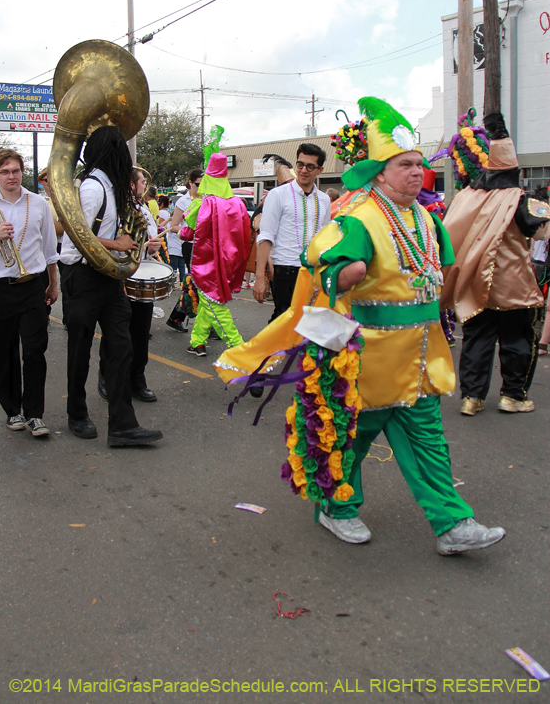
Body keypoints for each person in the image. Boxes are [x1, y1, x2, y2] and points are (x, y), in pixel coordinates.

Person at [216, 98, 505, 555]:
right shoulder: (358, 218)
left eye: (418, 165)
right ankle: (336, 509)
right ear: (380, 171)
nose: (416, 172)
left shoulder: (428, 220)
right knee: (351, 442)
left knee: (430, 444)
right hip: (367, 364)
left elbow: (441, 275)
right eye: (405, 165)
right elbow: (325, 269)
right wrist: (343, 274)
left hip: (419, 362)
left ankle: (453, 524)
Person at [59, 126, 163, 447]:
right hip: (82, 277)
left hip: (108, 278)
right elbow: (75, 238)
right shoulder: (92, 188)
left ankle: (122, 424)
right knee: (80, 350)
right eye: (121, 149)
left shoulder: (111, 186)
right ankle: (76, 412)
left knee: (122, 347)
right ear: (112, 152)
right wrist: (116, 243)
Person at [442, 111, 550, 416]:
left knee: (477, 339)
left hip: (474, 282)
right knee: (517, 341)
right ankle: (513, 396)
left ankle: (472, 398)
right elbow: (541, 228)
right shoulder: (520, 198)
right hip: (514, 285)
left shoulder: (465, 197)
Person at [0, 148, 59, 437]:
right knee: (3, 352)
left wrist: (53, 284)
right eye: (4, 171)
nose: (11, 176)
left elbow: (49, 251)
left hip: (32, 286)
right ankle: (12, 410)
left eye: (15, 170)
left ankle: (35, 414)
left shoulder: (38, 203)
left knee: (34, 349)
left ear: (22, 172)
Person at [97, 166, 162, 404]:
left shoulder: (144, 210)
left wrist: (153, 246)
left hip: (141, 276)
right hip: (118, 276)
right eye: (142, 181)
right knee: (115, 333)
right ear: (132, 185)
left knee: (141, 333)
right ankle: (106, 376)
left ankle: (138, 379)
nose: (145, 185)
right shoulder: (116, 209)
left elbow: (151, 241)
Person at [253, 143, 330, 322]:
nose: (303, 170)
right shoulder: (278, 195)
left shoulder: (324, 200)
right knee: (284, 320)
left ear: (320, 170)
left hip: (314, 270)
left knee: (309, 323)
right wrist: (259, 278)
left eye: (310, 166)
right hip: (285, 269)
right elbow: (265, 237)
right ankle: (269, 349)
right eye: (300, 164)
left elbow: (325, 238)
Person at [184, 153, 250, 356]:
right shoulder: (238, 203)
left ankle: (239, 349)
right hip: (230, 261)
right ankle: (197, 341)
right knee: (208, 302)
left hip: (208, 265)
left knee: (215, 305)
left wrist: (177, 230)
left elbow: (187, 233)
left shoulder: (203, 203)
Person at [165, 168, 203, 333]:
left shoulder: (208, 198)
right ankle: (179, 317)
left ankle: (179, 318)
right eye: (197, 184)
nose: (200, 188)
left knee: (203, 285)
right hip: (191, 245)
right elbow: (173, 226)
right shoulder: (183, 201)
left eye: (204, 184)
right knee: (195, 284)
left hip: (206, 245)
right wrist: (188, 232)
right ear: (190, 183)